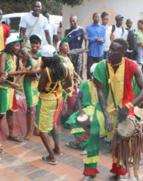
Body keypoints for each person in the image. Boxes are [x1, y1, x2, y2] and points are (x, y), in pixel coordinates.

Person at [82, 39, 143, 181]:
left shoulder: (132, 66)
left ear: (122, 53)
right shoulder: (101, 66)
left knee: (122, 142)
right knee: (94, 138)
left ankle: (119, 171)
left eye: (114, 50)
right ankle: (89, 173)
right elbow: (101, 93)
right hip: (103, 110)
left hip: (124, 111)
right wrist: (107, 116)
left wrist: (128, 107)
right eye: (109, 48)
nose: (109, 51)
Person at [34, 45, 72, 165]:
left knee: (42, 129)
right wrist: (60, 88)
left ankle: (51, 156)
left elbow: (40, 89)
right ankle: (57, 148)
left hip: (47, 101)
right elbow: (69, 83)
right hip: (58, 99)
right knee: (53, 123)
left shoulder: (46, 71)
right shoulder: (64, 67)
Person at [65, 63, 106, 155]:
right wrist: (80, 110)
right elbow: (79, 98)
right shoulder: (85, 84)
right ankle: (85, 144)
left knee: (94, 121)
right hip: (87, 109)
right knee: (72, 120)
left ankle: (88, 144)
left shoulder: (105, 84)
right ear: (92, 74)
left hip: (100, 109)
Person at [0, 36, 27, 141]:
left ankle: (11, 134)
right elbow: (0, 73)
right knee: (1, 113)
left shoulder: (15, 57)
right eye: (16, 45)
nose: (18, 48)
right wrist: (17, 72)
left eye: (19, 46)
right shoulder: (4, 55)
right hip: (3, 87)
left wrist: (22, 70)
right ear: (10, 45)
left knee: (10, 112)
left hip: (11, 87)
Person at [22, 34, 42, 140]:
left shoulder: (41, 55)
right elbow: (23, 70)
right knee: (31, 107)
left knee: (38, 106)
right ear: (30, 44)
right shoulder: (26, 55)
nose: (34, 45)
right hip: (29, 82)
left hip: (38, 83)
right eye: (33, 43)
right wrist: (36, 72)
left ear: (39, 45)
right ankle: (28, 131)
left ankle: (36, 129)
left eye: (36, 43)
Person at [58, 37, 82, 118]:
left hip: (70, 86)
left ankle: (68, 122)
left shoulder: (68, 58)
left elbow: (72, 70)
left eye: (68, 46)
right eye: (65, 46)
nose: (67, 47)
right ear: (60, 47)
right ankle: (58, 123)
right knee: (60, 105)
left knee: (71, 104)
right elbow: (59, 74)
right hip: (63, 86)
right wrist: (64, 87)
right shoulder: (59, 59)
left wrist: (77, 76)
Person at [86, 13, 106, 79]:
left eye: (97, 17)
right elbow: (87, 39)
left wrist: (101, 40)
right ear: (93, 18)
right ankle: (88, 81)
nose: (96, 18)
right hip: (91, 52)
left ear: (99, 18)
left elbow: (104, 39)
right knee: (89, 68)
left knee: (99, 68)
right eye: (95, 17)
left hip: (99, 52)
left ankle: (98, 82)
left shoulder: (103, 28)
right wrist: (95, 38)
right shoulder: (88, 28)